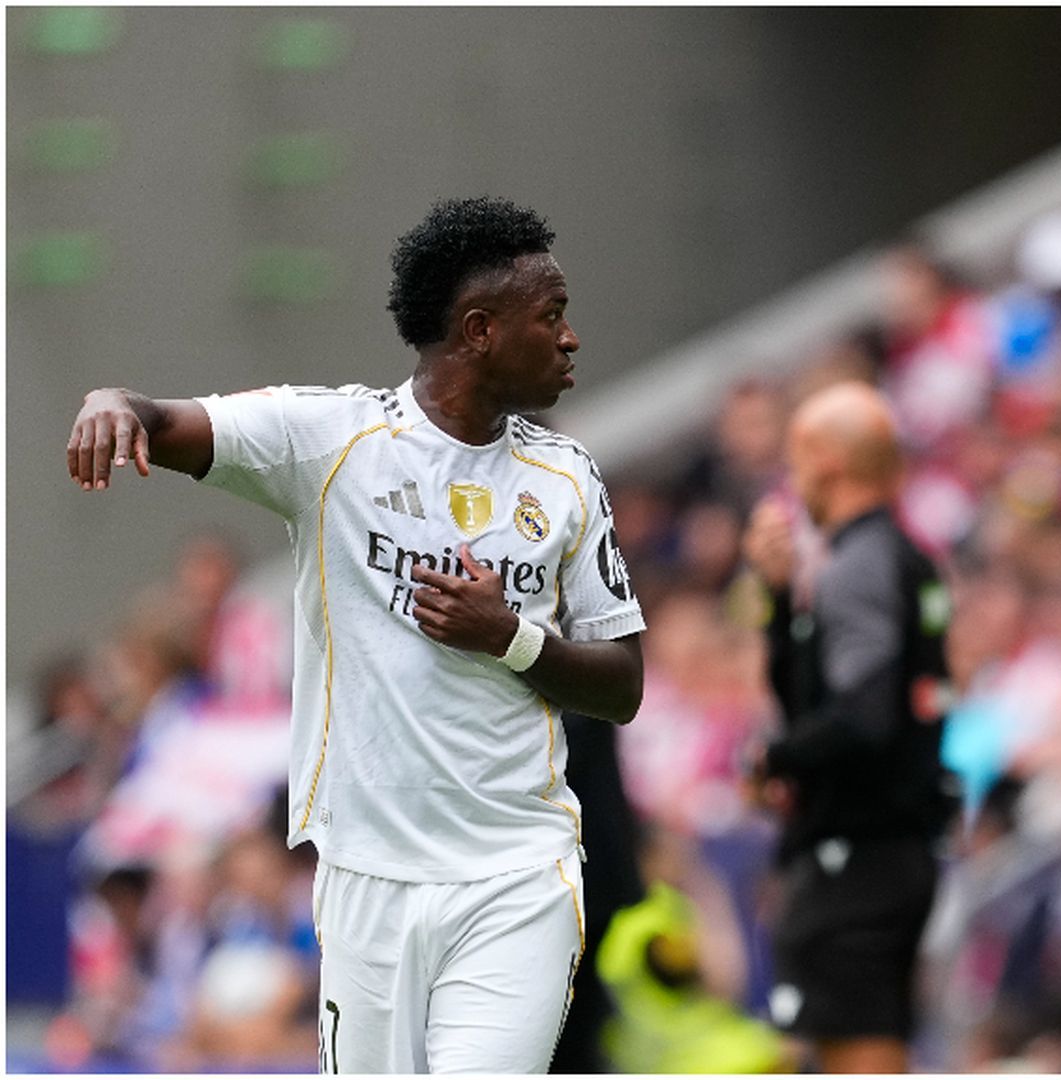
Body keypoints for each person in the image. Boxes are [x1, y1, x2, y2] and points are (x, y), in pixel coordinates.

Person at [65, 196, 647, 1073]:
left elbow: (624, 684)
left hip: (518, 876)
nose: (570, 339)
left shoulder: (568, 478)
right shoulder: (330, 439)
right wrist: (111, 403)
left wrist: (510, 638)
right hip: (365, 878)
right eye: (552, 315)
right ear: (480, 330)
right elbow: (165, 420)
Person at [739, 381, 956, 1073]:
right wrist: (780, 602)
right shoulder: (900, 555)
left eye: (795, 461)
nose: (792, 480)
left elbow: (862, 718)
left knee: (856, 1053)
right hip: (890, 847)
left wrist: (771, 758)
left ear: (826, 463)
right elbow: (825, 704)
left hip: (859, 854)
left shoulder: (858, 565)